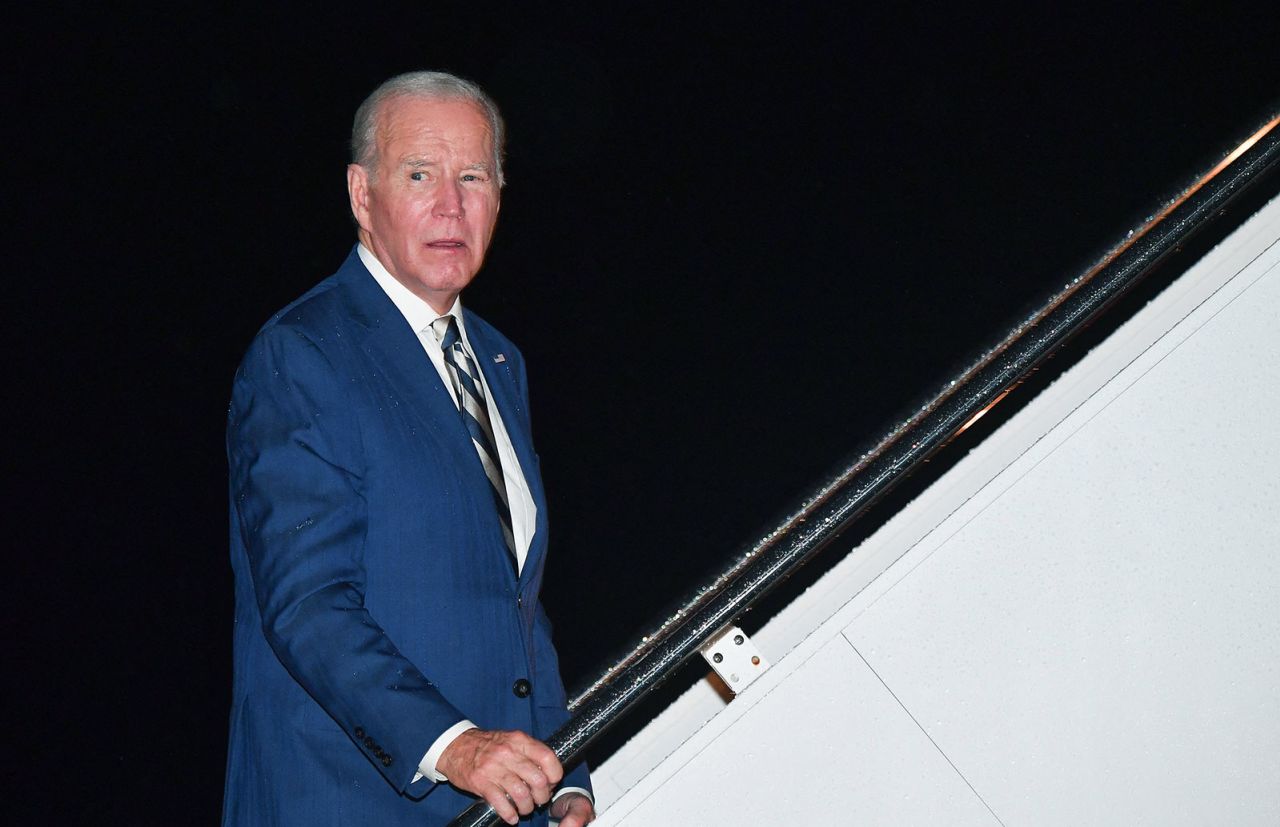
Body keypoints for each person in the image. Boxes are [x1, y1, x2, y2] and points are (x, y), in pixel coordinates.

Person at [222, 70, 594, 827]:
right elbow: (307, 603)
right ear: (363, 195)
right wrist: (455, 746)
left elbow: (516, 603)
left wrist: (567, 772)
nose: (450, 204)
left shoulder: (497, 361)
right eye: (420, 174)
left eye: (474, 176)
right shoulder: (303, 354)